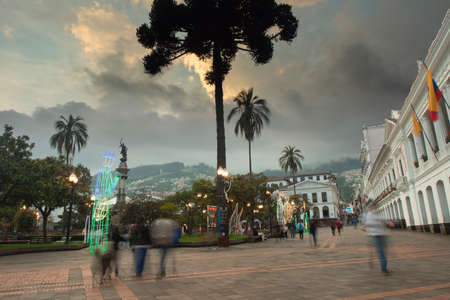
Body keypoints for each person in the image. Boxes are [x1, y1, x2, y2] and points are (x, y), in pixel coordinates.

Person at [361, 204, 391, 275]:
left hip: (382, 234)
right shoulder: (369, 215)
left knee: (383, 251)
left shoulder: (379, 214)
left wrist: (388, 223)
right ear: (371, 208)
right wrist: (378, 222)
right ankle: (384, 269)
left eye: (375, 207)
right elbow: (368, 223)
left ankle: (384, 267)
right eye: (373, 208)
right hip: (375, 235)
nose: (375, 209)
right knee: (381, 252)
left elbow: (385, 220)